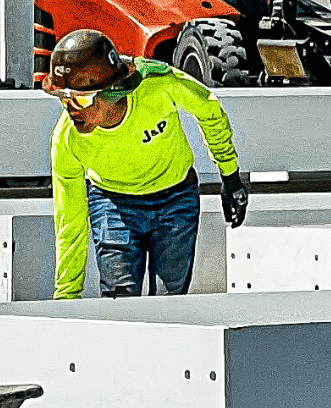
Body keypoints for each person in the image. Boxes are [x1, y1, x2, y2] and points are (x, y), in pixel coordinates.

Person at [44, 27, 247, 301]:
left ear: (112, 90)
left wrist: (230, 174)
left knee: (170, 299)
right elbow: (70, 221)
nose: (71, 110)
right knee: (119, 299)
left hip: (176, 199)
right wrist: (66, 298)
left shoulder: (158, 85)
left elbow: (208, 108)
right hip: (112, 204)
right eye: (63, 99)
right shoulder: (66, 140)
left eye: (80, 98)